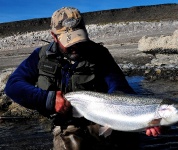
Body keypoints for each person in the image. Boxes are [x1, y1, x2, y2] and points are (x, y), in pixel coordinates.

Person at [5, 7, 161, 150]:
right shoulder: (40, 57)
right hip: (67, 123)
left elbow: (120, 88)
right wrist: (49, 99)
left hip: (101, 117)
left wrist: (143, 118)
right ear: (54, 36)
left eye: (79, 39)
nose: (75, 46)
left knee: (130, 139)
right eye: (69, 41)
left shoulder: (99, 54)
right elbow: (13, 86)